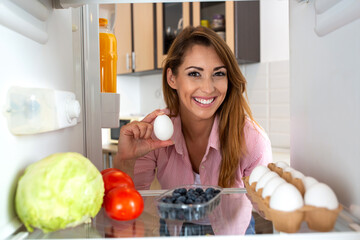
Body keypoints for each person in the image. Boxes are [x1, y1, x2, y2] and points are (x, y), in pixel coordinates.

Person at [114, 26, 272, 235]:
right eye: (195, 73)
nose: (208, 88)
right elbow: (128, 200)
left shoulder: (251, 139)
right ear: (172, 78)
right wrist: (125, 159)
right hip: (175, 229)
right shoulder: (155, 134)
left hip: (233, 232)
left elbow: (267, 207)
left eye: (219, 73)